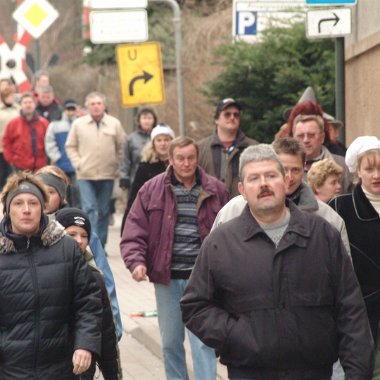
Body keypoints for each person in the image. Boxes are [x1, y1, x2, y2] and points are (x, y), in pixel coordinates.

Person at [181, 144, 374, 380]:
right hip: (249, 371)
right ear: (242, 189)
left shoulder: (322, 235)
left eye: (271, 176)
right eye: (254, 178)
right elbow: (195, 305)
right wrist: (237, 336)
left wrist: (357, 373)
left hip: (314, 371)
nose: (263, 184)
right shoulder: (221, 242)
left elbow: (351, 309)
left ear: (285, 180)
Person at [120, 136, 229, 380]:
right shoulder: (151, 189)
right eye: (180, 158)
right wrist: (136, 262)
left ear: (197, 158)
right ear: (170, 159)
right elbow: (134, 230)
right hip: (166, 280)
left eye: (191, 158)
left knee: (203, 342)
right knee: (170, 343)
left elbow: (230, 231)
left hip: (203, 281)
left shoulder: (216, 189)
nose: (186, 163)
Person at [0, 172, 102, 378]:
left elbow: (88, 302)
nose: (26, 210)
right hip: (10, 369)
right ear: (8, 210)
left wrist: (84, 345)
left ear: (43, 209)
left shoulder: (67, 248)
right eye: (18, 203)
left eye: (33, 203)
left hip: (60, 367)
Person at [213, 137, 351, 255]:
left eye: (295, 170)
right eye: (284, 169)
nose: (289, 177)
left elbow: (343, 278)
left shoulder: (328, 219)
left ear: (304, 168)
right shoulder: (232, 211)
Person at [34, 166, 123, 340]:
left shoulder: (81, 233)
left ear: (62, 196)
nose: (44, 198)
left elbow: (104, 281)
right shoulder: (21, 231)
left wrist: (113, 328)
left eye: (50, 192)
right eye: (39, 191)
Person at [55, 207, 122, 380]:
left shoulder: (94, 277)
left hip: (82, 369)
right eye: (72, 234)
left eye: (84, 236)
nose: (79, 240)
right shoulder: (43, 272)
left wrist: (113, 375)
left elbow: (106, 332)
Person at [329, 136, 380, 343]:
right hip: (360, 313)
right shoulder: (341, 207)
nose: (377, 175)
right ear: (358, 171)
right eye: (369, 169)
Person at [65, 91, 125, 247]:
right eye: (93, 104)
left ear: (104, 106)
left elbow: (122, 146)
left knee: (104, 211)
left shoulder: (114, 124)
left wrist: (117, 164)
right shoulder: (78, 124)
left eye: (99, 103)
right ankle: (90, 243)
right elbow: (70, 146)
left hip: (108, 174)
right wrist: (78, 163)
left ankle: (101, 244)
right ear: (87, 107)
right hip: (85, 174)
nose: (96, 107)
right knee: (90, 209)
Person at [120, 123, 175, 233]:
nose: (163, 143)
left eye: (166, 140)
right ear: (153, 143)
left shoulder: (180, 165)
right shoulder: (145, 166)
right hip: (152, 215)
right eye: (159, 140)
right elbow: (135, 196)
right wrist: (126, 227)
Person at [198, 98, 258, 197]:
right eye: (227, 114)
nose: (232, 117)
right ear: (216, 119)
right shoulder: (200, 148)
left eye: (236, 115)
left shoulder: (253, 148)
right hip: (211, 209)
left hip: (243, 208)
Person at [292, 113, 351, 192]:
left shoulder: (342, 164)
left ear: (322, 137)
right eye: (301, 136)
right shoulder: (285, 168)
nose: (306, 140)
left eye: (311, 135)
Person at [45, 99, 81, 208]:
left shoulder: (80, 123)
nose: (70, 112)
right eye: (68, 109)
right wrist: (56, 156)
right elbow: (49, 141)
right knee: (63, 191)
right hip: (61, 164)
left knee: (77, 192)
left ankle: (76, 213)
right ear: (64, 110)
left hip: (77, 165)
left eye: (72, 109)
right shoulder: (55, 125)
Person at [2, 91, 49, 171]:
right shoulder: (13, 124)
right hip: (19, 167)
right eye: (25, 102)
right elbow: (6, 143)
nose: (28, 105)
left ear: (35, 104)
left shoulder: (44, 123)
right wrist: (12, 160)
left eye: (30, 102)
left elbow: (50, 142)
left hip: (41, 167)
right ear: (21, 105)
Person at [119, 106, 157, 191]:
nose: (147, 121)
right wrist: (124, 178)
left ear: (154, 120)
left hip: (156, 180)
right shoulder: (131, 139)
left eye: (149, 118)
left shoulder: (159, 137)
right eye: (144, 118)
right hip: (136, 180)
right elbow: (125, 160)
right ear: (139, 120)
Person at [0, 84, 20, 189]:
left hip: (16, 148)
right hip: (1, 149)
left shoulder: (18, 109)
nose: (10, 98)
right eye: (8, 96)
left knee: (14, 175)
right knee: (2, 175)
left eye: (12, 95)